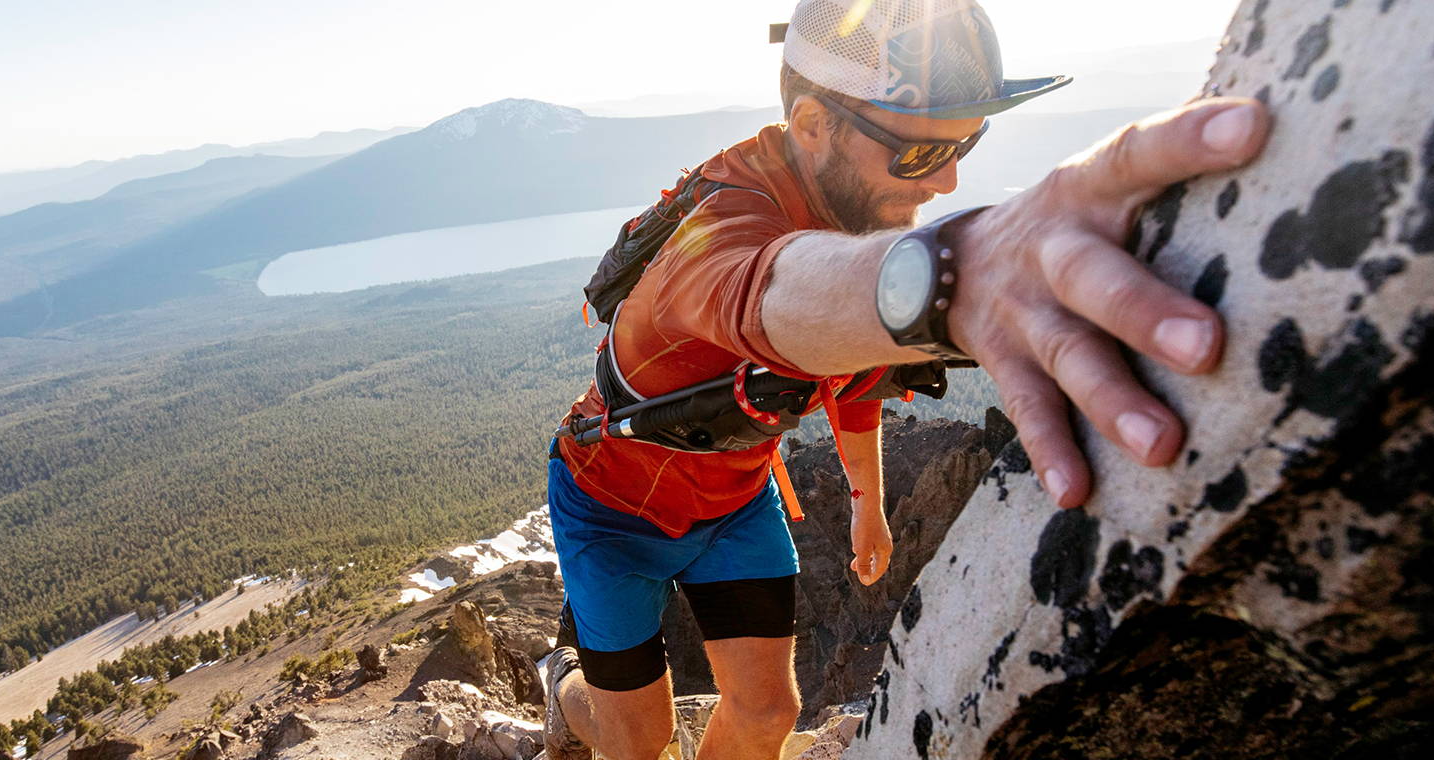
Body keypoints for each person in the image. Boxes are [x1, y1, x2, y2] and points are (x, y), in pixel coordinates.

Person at [541, 0, 1272, 758]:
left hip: (733, 499)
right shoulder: (721, 226)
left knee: (765, 714)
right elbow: (776, 293)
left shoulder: (833, 196)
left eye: (964, 143)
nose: (949, 180)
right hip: (610, 508)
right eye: (919, 155)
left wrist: (868, 504)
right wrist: (954, 272)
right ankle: (566, 688)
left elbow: (848, 371)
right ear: (814, 124)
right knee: (637, 743)